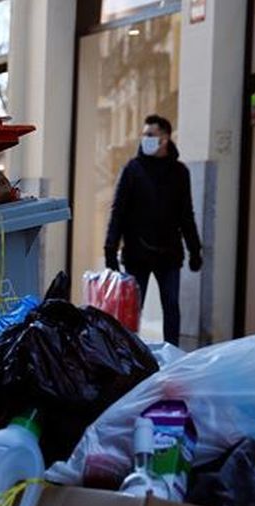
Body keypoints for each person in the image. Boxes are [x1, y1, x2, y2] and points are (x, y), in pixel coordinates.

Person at [104, 114, 203, 346]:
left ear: (165, 138)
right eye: (144, 134)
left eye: (151, 135)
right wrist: (110, 248)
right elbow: (118, 211)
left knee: (171, 307)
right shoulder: (132, 170)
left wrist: (195, 250)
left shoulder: (180, 173)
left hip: (169, 254)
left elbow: (186, 215)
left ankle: (172, 355)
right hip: (137, 254)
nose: (145, 139)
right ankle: (129, 355)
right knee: (131, 312)